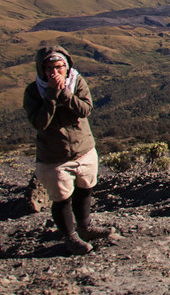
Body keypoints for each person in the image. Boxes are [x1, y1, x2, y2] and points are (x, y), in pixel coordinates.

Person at [23, 45, 115, 255]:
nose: (55, 72)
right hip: (54, 156)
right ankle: (70, 237)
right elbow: (40, 123)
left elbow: (85, 109)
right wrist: (51, 96)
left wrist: (64, 93)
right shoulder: (33, 92)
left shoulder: (77, 82)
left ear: (67, 66)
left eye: (59, 67)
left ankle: (85, 227)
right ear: (42, 70)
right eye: (49, 69)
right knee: (61, 197)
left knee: (85, 188)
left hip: (83, 149)